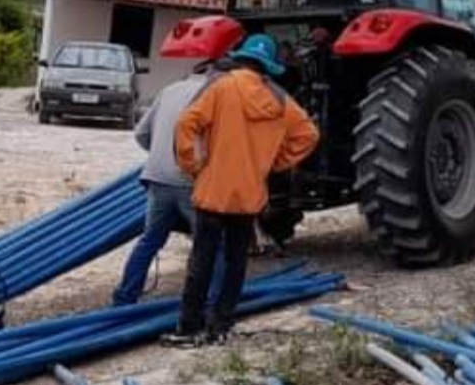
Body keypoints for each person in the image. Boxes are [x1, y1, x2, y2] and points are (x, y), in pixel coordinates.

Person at [168, 33, 319, 346]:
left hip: (213, 191)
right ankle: (221, 325)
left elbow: (186, 124)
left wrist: (191, 164)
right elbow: (308, 134)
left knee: (202, 262)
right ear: (268, 66)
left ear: (241, 58)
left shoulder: (221, 87)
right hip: (249, 197)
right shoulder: (279, 98)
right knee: (236, 263)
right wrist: (275, 162)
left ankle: (188, 328)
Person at [111, 62, 225, 308]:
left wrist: (161, 154)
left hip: (156, 177)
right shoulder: (216, 95)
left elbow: (141, 133)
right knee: (210, 244)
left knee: (149, 240)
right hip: (190, 180)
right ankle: (212, 303)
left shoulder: (170, 89)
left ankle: (124, 298)